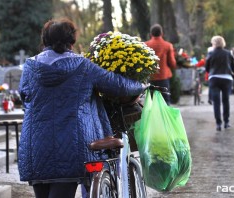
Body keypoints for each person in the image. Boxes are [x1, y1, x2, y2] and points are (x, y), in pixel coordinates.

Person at [18, 18, 147, 198]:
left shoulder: (30, 67)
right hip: (72, 145)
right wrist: (140, 86)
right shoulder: (82, 66)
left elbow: (24, 97)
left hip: (36, 145)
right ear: (71, 40)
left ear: (45, 40)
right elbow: (116, 85)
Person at [205, 36, 234, 131]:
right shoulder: (228, 53)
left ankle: (218, 124)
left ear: (213, 43)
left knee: (216, 102)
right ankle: (226, 122)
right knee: (226, 100)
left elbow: (207, 68)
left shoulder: (211, 53)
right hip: (226, 78)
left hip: (214, 78)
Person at [145, 24, 177, 105]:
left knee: (152, 101)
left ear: (151, 34)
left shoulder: (145, 45)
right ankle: (166, 117)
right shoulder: (167, 45)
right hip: (164, 76)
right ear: (162, 33)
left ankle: (154, 117)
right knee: (166, 100)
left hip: (151, 76)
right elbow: (172, 63)